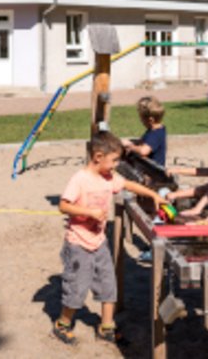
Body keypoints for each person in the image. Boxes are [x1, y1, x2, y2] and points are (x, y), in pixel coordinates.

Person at [52, 131, 167, 347]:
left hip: (99, 242)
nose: (116, 165)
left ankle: (106, 327)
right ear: (97, 157)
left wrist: (152, 195)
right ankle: (63, 323)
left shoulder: (108, 178)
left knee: (108, 284)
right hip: (78, 243)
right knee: (77, 287)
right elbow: (63, 205)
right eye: (114, 160)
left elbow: (127, 185)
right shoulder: (80, 179)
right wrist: (89, 213)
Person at [121, 96, 167, 167]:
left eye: (141, 118)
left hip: (153, 172)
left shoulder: (155, 134)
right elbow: (145, 142)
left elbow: (143, 151)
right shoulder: (159, 129)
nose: (141, 121)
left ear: (150, 120)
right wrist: (132, 142)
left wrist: (131, 146)